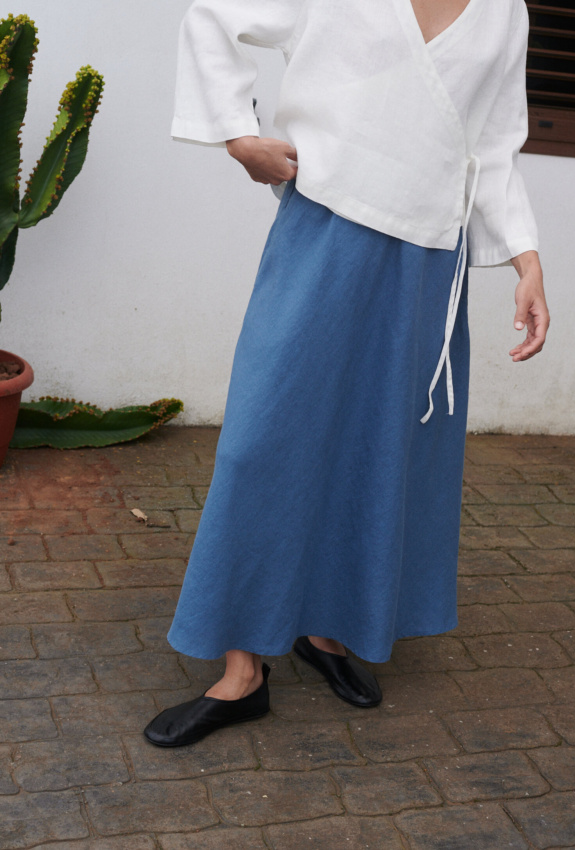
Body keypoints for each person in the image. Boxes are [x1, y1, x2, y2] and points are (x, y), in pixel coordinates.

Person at [144, 0, 550, 748]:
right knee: (263, 443)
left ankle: (327, 632)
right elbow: (214, 14)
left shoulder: (504, 13)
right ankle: (241, 672)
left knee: (375, 451)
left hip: (429, 262)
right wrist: (239, 137)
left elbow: (494, 144)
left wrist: (526, 260)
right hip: (327, 228)